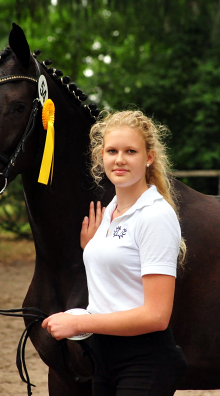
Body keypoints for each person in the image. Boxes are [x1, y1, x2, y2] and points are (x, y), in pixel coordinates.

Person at [42, 110, 187, 395]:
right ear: (100, 156)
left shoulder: (155, 215)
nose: (119, 159)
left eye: (130, 151)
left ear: (149, 158)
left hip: (144, 362)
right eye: (112, 151)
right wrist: (93, 250)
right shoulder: (110, 211)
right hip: (104, 359)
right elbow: (121, 273)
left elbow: (156, 316)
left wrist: (79, 323)